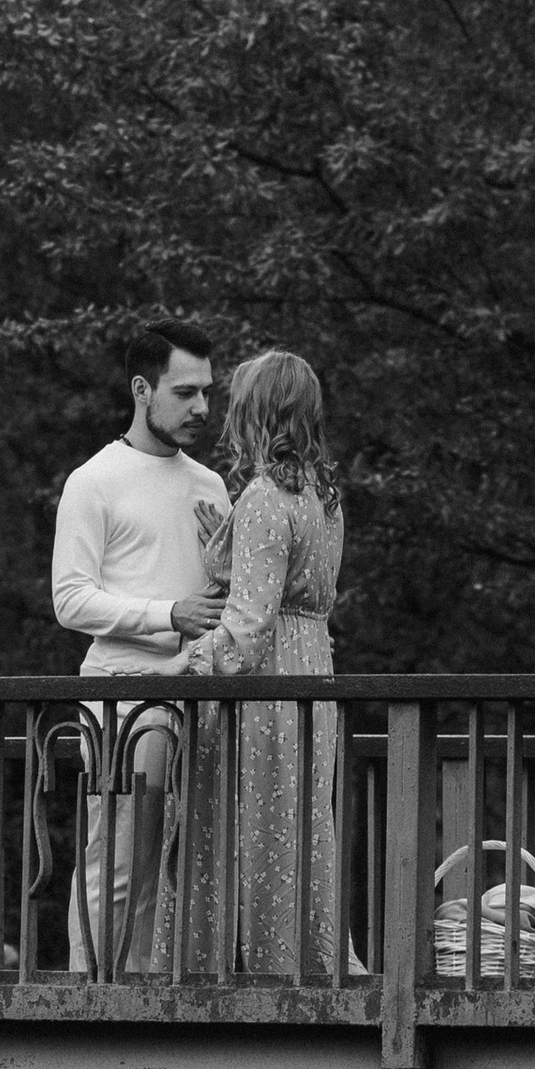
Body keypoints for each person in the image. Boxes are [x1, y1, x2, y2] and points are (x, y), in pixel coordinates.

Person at [50, 309, 231, 973]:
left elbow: (224, 603)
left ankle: (161, 1005)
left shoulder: (211, 486)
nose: (201, 407)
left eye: (207, 391)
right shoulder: (94, 481)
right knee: (121, 858)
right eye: (185, 392)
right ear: (140, 390)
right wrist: (168, 614)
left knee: (187, 867)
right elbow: (70, 599)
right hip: (124, 699)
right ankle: (93, 1000)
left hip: (203, 699)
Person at [197, 348, 346, 978]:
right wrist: (224, 549)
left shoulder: (263, 498)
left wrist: (188, 664)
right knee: (299, 830)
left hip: (265, 689)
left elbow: (249, 631)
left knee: (254, 829)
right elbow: (291, 590)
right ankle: (306, 965)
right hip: (313, 674)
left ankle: (258, 979)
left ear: (256, 412)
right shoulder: (324, 495)